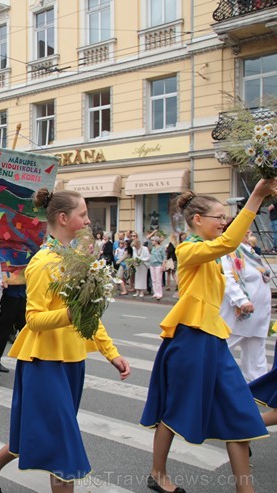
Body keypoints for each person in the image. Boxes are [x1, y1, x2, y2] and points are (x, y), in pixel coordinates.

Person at [0, 188, 130, 493]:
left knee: (45, 433)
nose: (88, 221)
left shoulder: (77, 258)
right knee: (63, 447)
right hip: (44, 364)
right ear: (64, 218)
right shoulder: (42, 262)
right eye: (83, 214)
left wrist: (111, 352)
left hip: (73, 362)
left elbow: (89, 315)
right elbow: (34, 319)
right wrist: (70, 314)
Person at [140, 180, 275, 493]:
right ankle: (157, 473)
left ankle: (246, 489)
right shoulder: (189, 249)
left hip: (213, 340)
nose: (224, 222)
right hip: (190, 339)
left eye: (225, 218)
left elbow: (230, 246)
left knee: (241, 411)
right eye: (219, 217)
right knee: (176, 408)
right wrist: (257, 195)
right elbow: (227, 242)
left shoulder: (212, 254)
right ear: (197, 220)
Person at [220, 229, 272, 382]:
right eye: (243, 228)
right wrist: (242, 301)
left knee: (256, 357)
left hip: (259, 316)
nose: (248, 231)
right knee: (221, 352)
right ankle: (210, 384)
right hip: (241, 315)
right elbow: (227, 279)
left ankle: (258, 391)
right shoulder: (228, 253)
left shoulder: (250, 252)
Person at [0, 253, 26, 374]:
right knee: (3, 330)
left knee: (26, 330)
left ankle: (29, 362)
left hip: (23, 298)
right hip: (10, 297)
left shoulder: (29, 254)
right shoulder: (4, 254)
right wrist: (2, 284)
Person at [148, 236, 165, 300]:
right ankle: (155, 292)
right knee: (153, 280)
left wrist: (163, 265)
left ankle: (159, 293)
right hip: (152, 264)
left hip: (158, 264)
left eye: (153, 241)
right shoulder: (153, 248)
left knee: (158, 280)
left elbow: (164, 257)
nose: (152, 242)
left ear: (156, 241)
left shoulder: (161, 248)